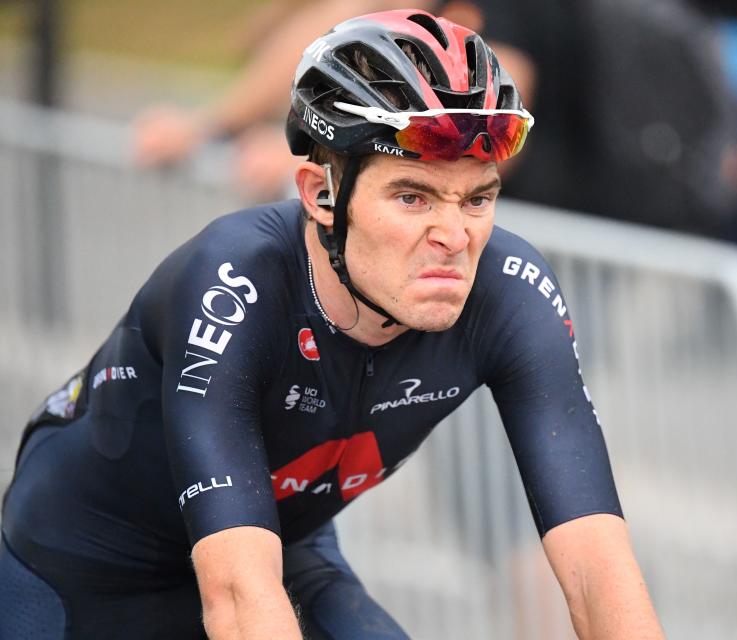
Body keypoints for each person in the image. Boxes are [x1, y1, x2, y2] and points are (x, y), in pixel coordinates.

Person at [1, 10, 664, 639]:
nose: (455, 237)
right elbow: (233, 596)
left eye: (478, 197)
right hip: (79, 575)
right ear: (321, 196)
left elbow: (597, 568)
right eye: (413, 196)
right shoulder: (234, 284)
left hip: (280, 550)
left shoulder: (511, 294)